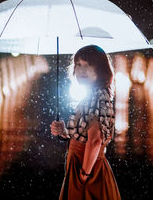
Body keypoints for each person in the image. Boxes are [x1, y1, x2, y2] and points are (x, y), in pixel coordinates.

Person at [50, 45, 121, 200]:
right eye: (78, 65)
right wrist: (64, 131)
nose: (81, 70)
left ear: (100, 69)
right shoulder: (94, 95)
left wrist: (84, 174)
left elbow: (95, 141)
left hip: (87, 169)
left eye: (88, 65)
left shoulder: (98, 98)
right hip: (83, 165)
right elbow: (84, 134)